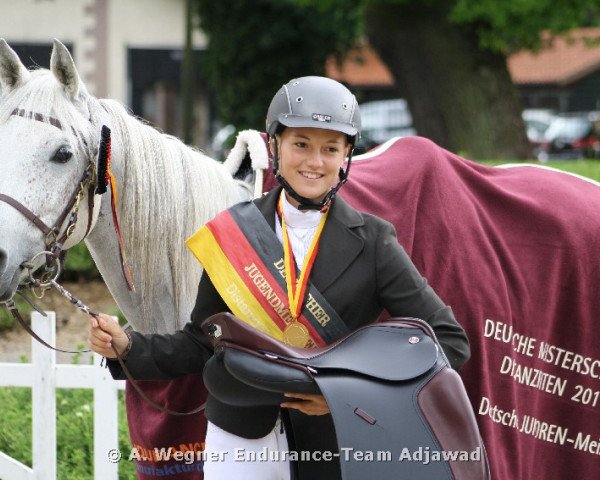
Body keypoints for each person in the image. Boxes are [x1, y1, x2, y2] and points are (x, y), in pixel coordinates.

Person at [89, 76, 470, 479]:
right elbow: (203, 342)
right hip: (238, 433)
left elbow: (448, 342)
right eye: (301, 144)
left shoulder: (374, 241)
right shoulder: (233, 232)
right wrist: (128, 347)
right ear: (276, 146)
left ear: (346, 157)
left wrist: (345, 396)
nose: (314, 161)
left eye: (330, 149)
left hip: (333, 438)